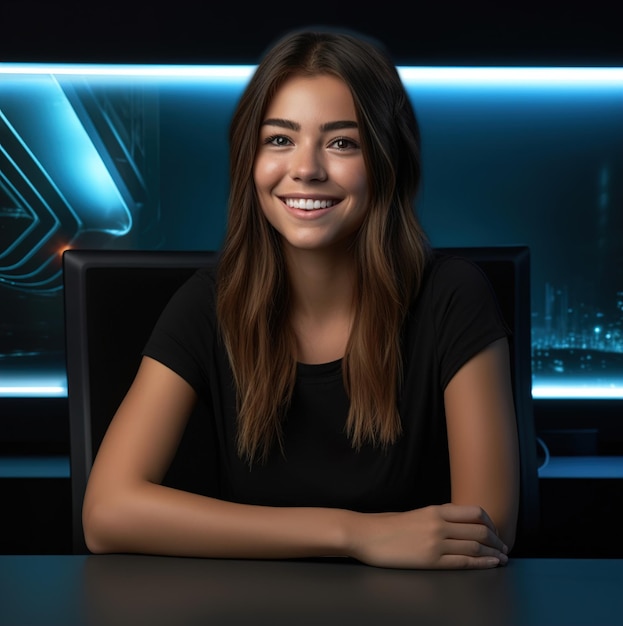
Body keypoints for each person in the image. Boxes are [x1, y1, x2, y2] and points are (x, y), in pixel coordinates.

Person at [82, 28, 520, 570]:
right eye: (280, 139)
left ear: (387, 161)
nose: (307, 168)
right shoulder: (209, 303)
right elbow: (106, 512)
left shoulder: (454, 296)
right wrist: (353, 534)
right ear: (251, 161)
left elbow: (486, 527)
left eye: (342, 142)